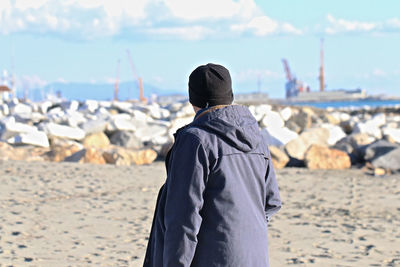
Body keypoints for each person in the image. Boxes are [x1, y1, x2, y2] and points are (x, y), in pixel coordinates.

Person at [143, 63, 281, 267]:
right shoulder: (256, 137)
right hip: (255, 257)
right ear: (230, 95)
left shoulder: (195, 140)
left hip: (213, 258)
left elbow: (183, 218)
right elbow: (272, 202)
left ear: (193, 98)